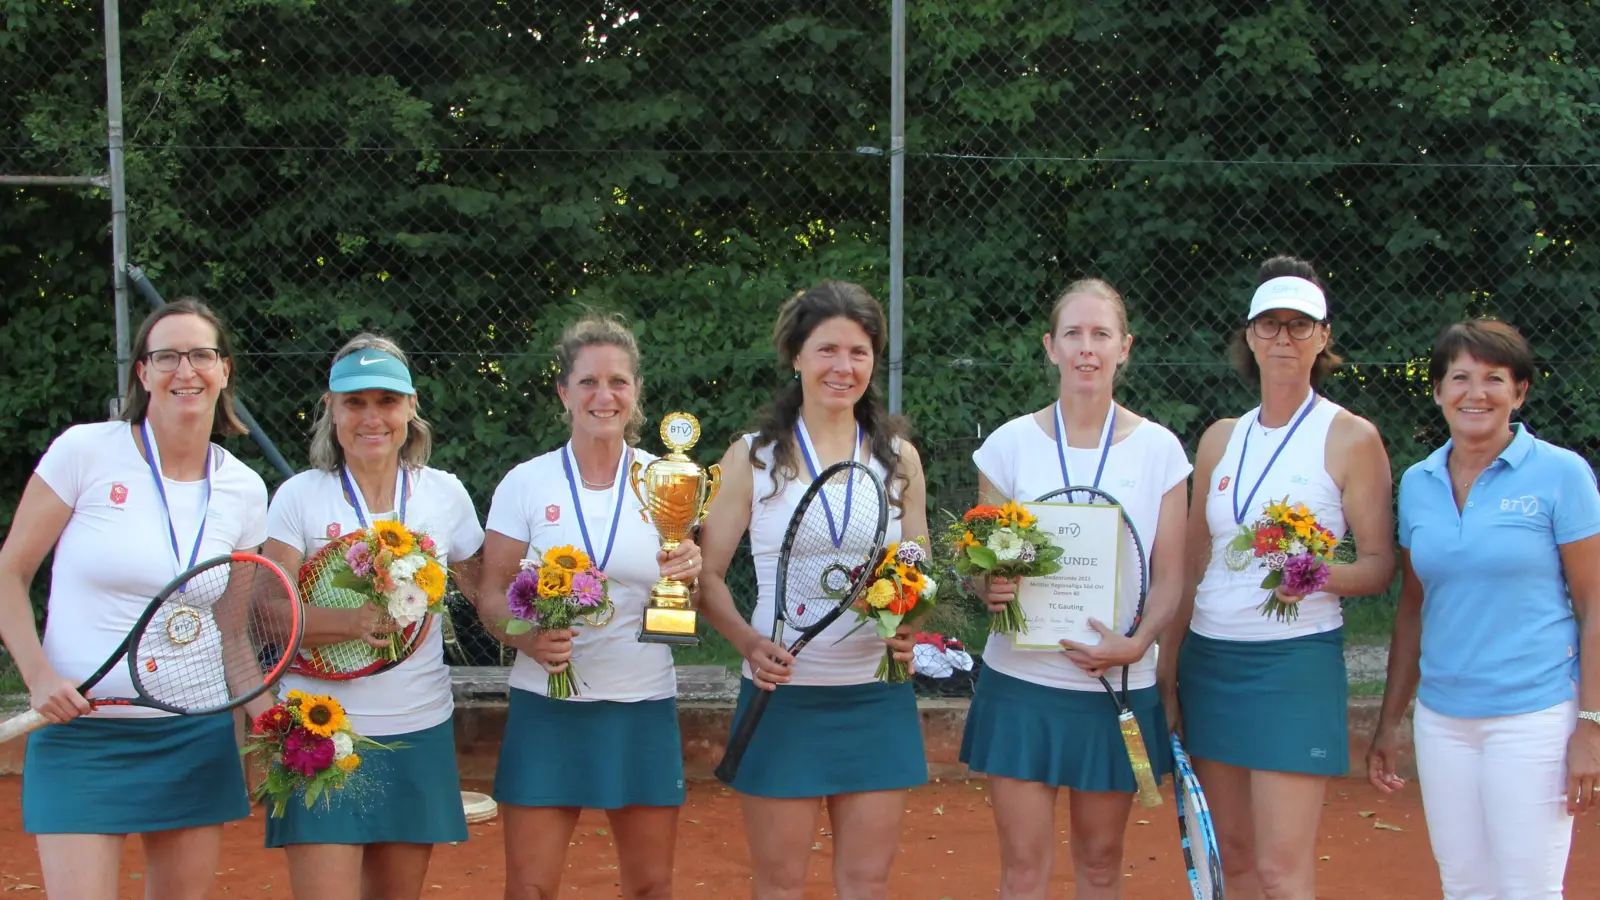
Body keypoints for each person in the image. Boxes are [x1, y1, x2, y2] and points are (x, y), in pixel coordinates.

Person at [0, 299, 269, 900]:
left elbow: (232, 635)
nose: (185, 371)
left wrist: (271, 720)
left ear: (224, 370)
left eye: (201, 355)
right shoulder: (85, 452)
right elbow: (8, 573)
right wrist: (39, 676)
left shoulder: (244, 490)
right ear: (142, 373)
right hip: (79, 736)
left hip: (192, 738)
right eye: (166, 356)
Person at [1159, 256, 1396, 899]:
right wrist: (1168, 672)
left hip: (1293, 668)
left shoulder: (1351, 436)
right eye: (1270, 325)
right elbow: (1192, 563)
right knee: (1230, 859)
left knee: (1281, 872)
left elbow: (1379, 565)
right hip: (1212, 662)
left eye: (1300, 325)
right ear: (1249, 337)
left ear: (1323, 337)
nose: (1284, 339)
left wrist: (1314, 574)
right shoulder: (1218, 440)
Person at [697, 281, 926, 900]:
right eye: (826, 350)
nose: (842, 367)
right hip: (783, 699)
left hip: (875, 698)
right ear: (796, 356)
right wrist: (747, 642)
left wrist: (911, 626)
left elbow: (916, 567)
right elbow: (705, 575)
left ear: (874, 360)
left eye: (858, 351)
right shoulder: (751, 457)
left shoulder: (900, 459)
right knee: (779, 885)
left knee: (867, 883)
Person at [962, 279, 1190, 899]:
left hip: (1114, 686)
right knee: (1024, 872)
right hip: (1022, 686)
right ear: (1051, 347)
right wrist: (990, 584)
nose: (1086, 348)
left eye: (1101, 335)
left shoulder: (1160, 450)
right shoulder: (1009, 444)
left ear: (1125, 348)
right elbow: (982, 561)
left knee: (1098, 867)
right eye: (1073, 334)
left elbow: (1172, 573)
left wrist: (1138, 644)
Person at [1366, 319, 1600, 898]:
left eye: (1494, 378)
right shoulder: (1418, 482)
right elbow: (1414, 609)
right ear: (1439, 390)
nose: (1476, 392)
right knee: (1464, 887)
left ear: (1519, 392)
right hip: (1443, 721)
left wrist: (1591, 727)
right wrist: (1390, 719)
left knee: (1529, 890)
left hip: (1534, 716)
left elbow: (1594, 602)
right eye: (1460, 377)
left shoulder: (1561, 474)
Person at [476, 314, 702, 900]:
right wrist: (526, 638)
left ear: (636, 392)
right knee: (530, 888)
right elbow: (491, 589)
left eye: (618, 382)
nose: (604, 396)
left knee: (651, 886)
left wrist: (693, 574)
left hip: (642, 701)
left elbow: (687, 598)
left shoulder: (668, 480)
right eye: (588, 382)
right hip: (548, 706)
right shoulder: (526, 483)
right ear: (563, 393)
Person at [261, 334, 485, 900]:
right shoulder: (298, 497)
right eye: (354, 402)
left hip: (418, 728)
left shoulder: (447, 495)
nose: (371, 418)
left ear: (410, 408)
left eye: (386, 401)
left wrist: (551, 606)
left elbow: (487, 591)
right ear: (331, 410)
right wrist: (350, 622)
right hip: (320, 729)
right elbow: (266, 614)